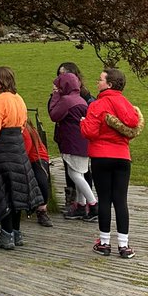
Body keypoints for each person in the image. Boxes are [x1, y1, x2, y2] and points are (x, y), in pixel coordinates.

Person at [80, 66, 143, 259]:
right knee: (121, 200)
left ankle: (105, 243)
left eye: (101, 79)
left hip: (101, 157)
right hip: (122, 157)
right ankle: (124, 245)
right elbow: (133, 123)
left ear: (110, 83)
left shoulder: (97, 105)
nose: (97, 82)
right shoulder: (125, 103)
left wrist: (82, 122)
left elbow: (89, 132)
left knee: (105, 199)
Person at [0, 66, 43, 250]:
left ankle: (6, 235)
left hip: (1, 149)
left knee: (2, 189)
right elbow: (23, 125)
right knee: (17, 190)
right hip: (17, 147)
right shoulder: (19, 99)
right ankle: (16, 233)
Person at [48, 70, 98, 221]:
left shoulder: (67, 100)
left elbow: (53, 114)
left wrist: (56, 95)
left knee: (75, 174)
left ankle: (93, 204)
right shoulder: (80, 99)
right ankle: (82, 206)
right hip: (82, 141)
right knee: (78, 173)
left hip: (72, 141)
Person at [21, 118, 53, 226]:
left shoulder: (25, 130)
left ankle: (41, 209)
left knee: (41, 182)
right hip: (38, 159)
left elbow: (26, 148)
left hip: (37, 159)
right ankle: (39, 208)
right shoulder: (30, 129)